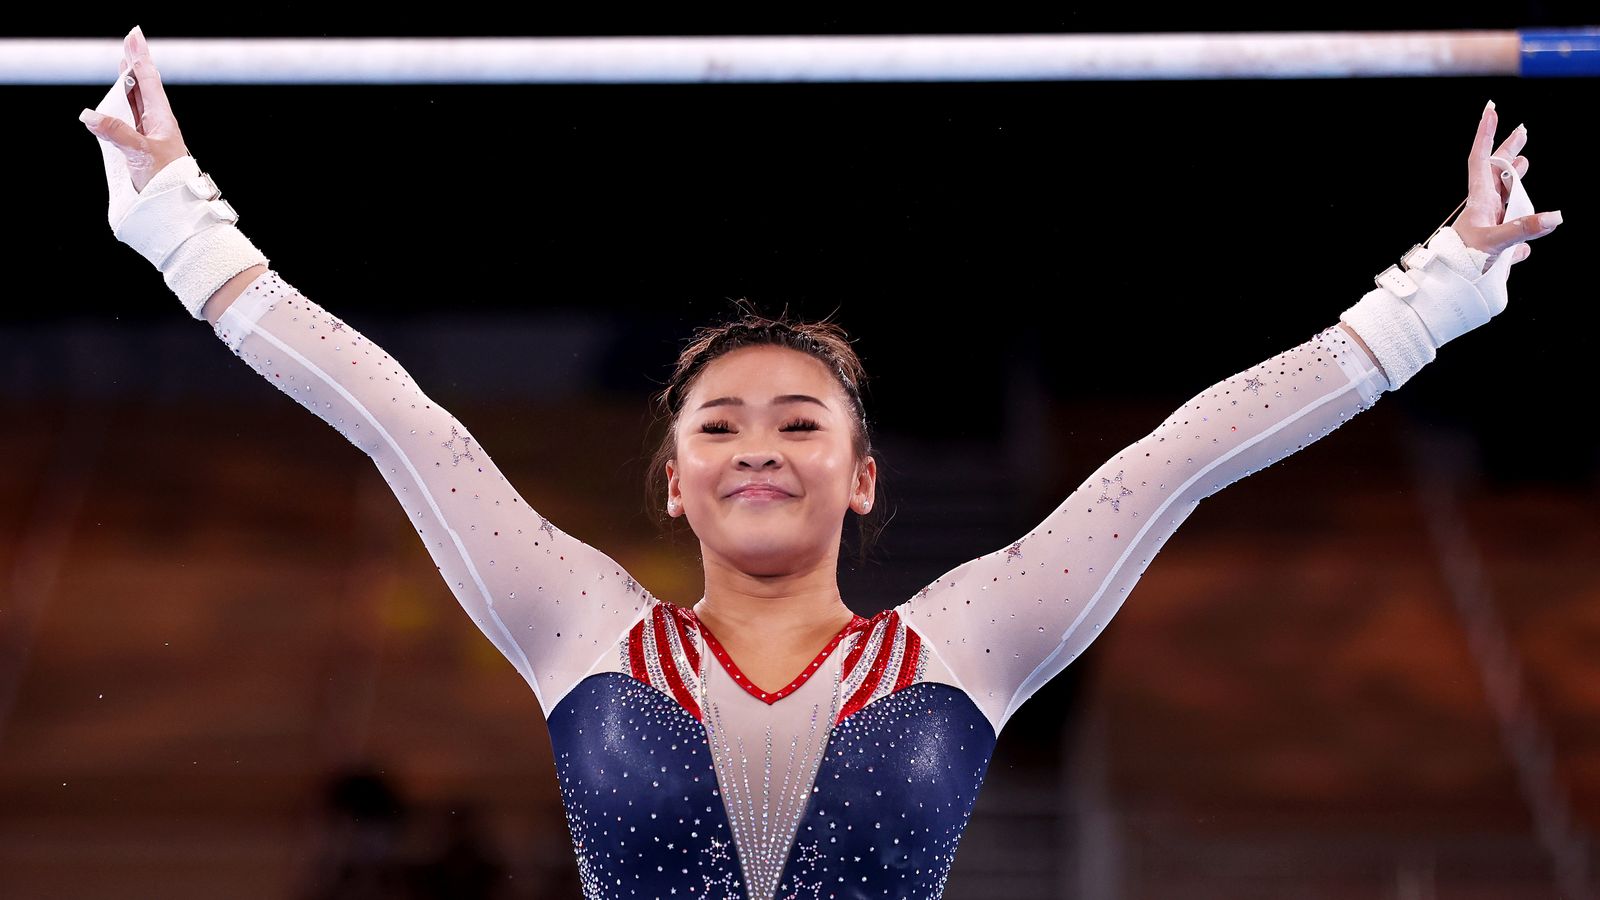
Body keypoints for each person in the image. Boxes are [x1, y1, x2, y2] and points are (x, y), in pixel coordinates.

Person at [79, 25, 1561, 900]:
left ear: (863, 476)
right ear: (671, 481)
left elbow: (1180, 457)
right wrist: (178, 222)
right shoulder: (580, 625)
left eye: (800, 423)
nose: (757, 447)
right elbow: (402, 421)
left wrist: (1439, 287)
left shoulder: (967, 640)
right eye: (718, 425)